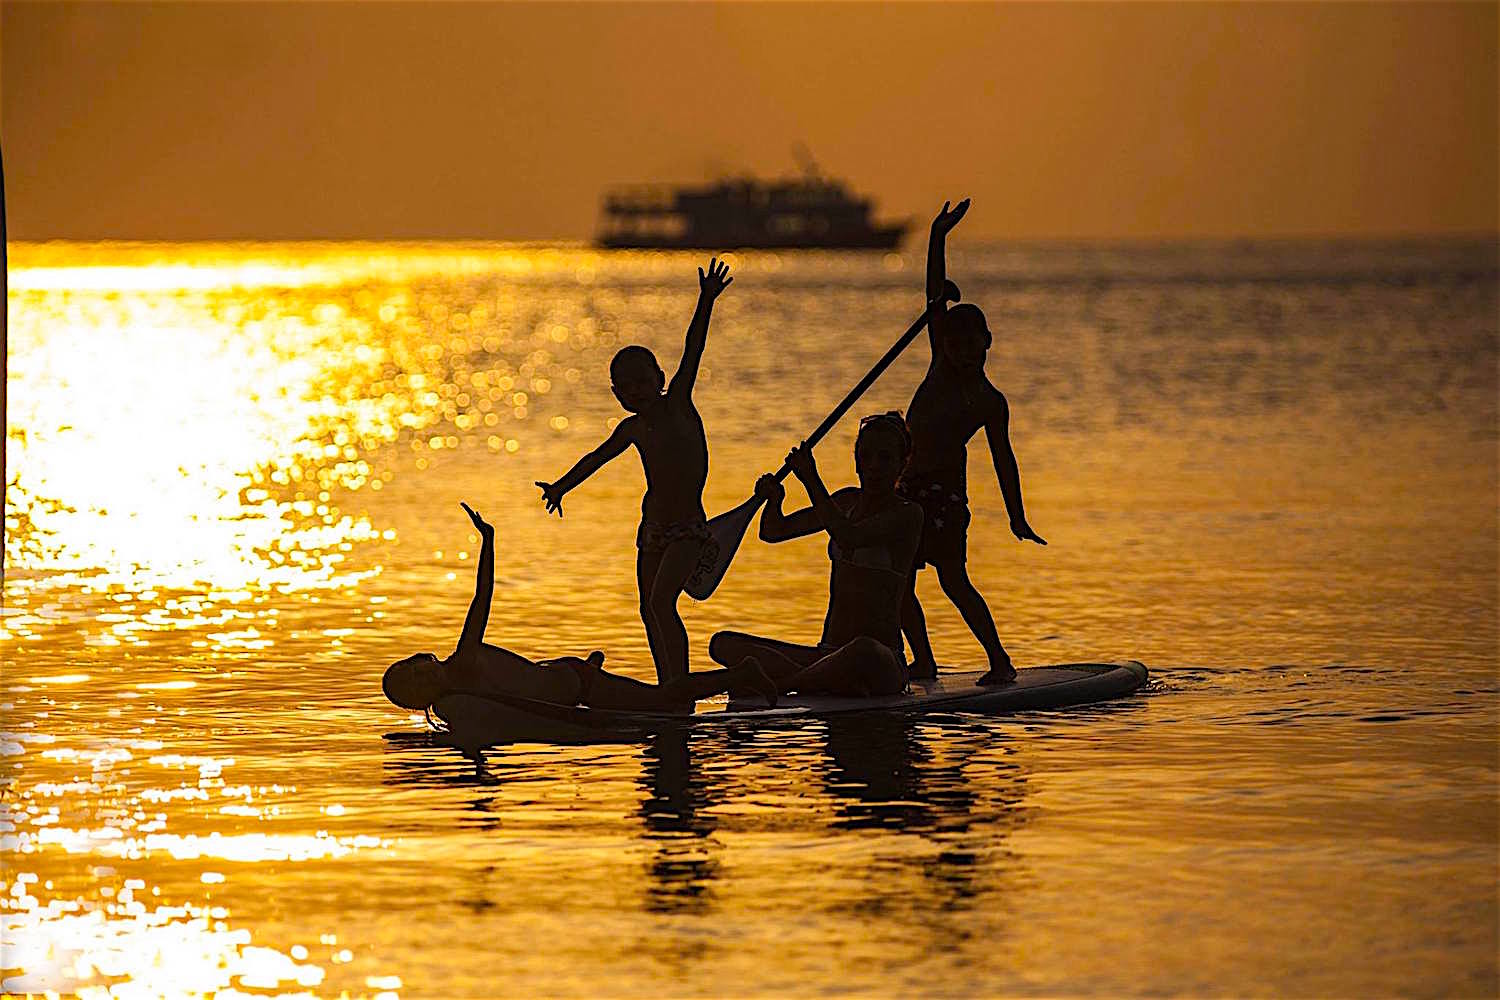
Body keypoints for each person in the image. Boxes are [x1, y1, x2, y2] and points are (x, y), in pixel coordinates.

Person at [534, 259, 732, 687]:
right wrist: (561, 487)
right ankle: (667, 685)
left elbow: (693, 348)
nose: (636, 391)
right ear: (616, 394)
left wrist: (706, 301)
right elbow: (596, 458)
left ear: (659, 378)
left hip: (687, 528)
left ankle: (679, 685)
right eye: (626, 387)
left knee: (663, 604)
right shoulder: (632, 427)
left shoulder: (677, 402)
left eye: (643, 381)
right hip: (652, 528)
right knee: (647, 608)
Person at [381, 503, 777, 715]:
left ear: (424, 658)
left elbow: (482, 596)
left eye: (415, 675)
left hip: (579, 685)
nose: (420, 687)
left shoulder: (463, 659)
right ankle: (593, 662)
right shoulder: (456, 704)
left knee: (667, 701)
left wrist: (488, 540)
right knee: (656, 699)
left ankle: (742, 674)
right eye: (411, 695)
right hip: (565, 681)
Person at [899, 199, 1047, 685]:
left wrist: (1016, 515)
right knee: (896, 579)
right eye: (955, 343)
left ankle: (999, 661)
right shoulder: (939, 365)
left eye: (971, 343)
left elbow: (1004, 460)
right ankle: (923, 660)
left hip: (945, 498)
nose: (962, 352)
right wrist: (937, 237)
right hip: (905, 489)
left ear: (988, 341)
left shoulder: (988, 400)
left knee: (953, 580)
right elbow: (932, 297)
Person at [708, 413, 922, 697]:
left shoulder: (907, 514)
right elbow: (774, 531)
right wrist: (774, 500)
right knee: (723, 644)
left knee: (863, 648)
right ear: (856, 460)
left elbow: (849, 536)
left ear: (901, 465)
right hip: (826, 655)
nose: (873, 467)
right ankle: (822, 680)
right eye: (866, 457)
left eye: (885, 459)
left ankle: (783, 685)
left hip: (879, 662)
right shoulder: (845, 501)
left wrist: (810, 478)